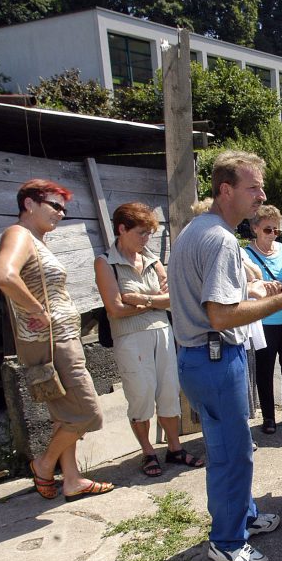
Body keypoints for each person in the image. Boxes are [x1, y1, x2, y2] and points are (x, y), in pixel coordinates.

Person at [168, 150, 282, 561]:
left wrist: (262, 292)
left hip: (202, 358)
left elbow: (216, 301)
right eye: (253, 188)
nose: (262, 195)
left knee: (230, 447)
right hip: (215, 357)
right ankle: (227, 541)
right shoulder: (219, 239)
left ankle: (243, 517)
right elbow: (220, 314)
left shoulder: (198, 229)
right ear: (226, 190)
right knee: (233, 453)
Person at [0, 179, 113, 501]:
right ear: (29, 204)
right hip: (52, 342)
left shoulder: (33, 239)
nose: (61, 213)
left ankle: (71, 479)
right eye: (54, 205)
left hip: (59, 339)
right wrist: (36, 309)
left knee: (65, 415)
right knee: (87, 414)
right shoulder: (19, 234)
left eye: (64, 208)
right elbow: (5, 275)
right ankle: (44, 464)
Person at [93, 202, 203, 478]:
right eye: (141, 233)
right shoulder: (106, 263)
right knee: (140, 395)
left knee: (169, 391)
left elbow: (173, 300)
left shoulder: (152, 260)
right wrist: (155, 302)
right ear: (122, 229)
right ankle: (148, 451)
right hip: (130, 338)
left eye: (149, 234)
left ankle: (175, 448)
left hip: (162, 332)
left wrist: (142, 300)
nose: (146, 239)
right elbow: (115, 309)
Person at [240, 205, 282, 434]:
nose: (273, 234)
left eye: (277, 230)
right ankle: (268, 417)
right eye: (268, 229)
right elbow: (245, 286)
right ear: (255, 228)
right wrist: (266, 288)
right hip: (263, 322)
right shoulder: (245, 255)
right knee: (264, 373)